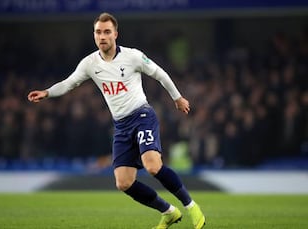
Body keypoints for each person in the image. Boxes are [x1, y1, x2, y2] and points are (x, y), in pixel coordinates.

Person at [28, 12, 205, 229]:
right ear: (94, 35)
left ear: (115, 34)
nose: (102, 36)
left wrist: (177, 98)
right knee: (123, 183)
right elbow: (69, 83)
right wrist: (46, 92)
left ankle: (191, 206)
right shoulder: (90, 63)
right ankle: (168, 212)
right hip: (121, 126)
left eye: (107, 32)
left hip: (142, 116)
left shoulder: (132, 57)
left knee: (152, 166)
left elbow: (160, 74)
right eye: (98, 32)